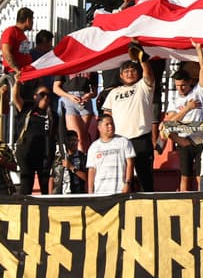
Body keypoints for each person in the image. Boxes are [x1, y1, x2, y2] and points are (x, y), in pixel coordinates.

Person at [101, 51, 157, 192]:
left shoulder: (143, 87)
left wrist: (143, 59)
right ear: (120, 75)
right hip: (120, 141)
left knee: (145, 181)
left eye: (132, 70)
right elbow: (106, 116)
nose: (129, 73)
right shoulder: (113, 93)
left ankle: (148, 209)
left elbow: (149, 74)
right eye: (126, 71)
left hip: (141, 139)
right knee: (123, 181)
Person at [162, 44, 203, 192]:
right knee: (185, 176)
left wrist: (199, 50)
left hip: (200, 138)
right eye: (177, 86)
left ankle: (202, 200)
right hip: (183, 140)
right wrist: (188, 108)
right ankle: (184, 202)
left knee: (200, 175)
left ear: (190, 82)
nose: (180, 88)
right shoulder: (174, 101)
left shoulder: (198, 92)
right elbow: (170, 123)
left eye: (183, 85)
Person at [14, 85, 56, 194]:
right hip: (26, 151)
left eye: (48, 95)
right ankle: (24, 208)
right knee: (27, 182)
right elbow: (16, 98)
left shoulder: (52, 114)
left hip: (45, 153)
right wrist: (17, 82)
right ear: (35, 96)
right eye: (42, 94)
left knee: (45, 185)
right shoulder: (27, 108)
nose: (45, 97)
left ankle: (45, 210)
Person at [86, 114, 134, 195]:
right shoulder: (94, 147)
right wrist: (90, 192)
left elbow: (130, 163)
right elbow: (92, 170)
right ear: (99, 128)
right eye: (107, 124)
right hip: (100, 192)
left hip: (120, 191)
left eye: (112, 124)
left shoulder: (124, 141)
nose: (110, 126)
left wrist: (127, 183)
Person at [0, 7, 34, 111]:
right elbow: (6, 51)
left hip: (24, 74)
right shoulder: (10, 31)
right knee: (17, 105)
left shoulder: (21, 34)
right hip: (15, 75)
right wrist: (16, 70)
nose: (32, 23)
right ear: (28, 20)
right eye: (32, 20)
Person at [53, 70, 96, 154]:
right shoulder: (67, 65)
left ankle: (84, 159)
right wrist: (69, 96)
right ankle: (77, 160)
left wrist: (89, 95)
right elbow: (55, 88)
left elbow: (94, 92)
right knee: (76, 136)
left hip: (85, 101)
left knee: (83, 137)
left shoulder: (91, 66)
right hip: (69, 99)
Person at [60, 130, 87, 194]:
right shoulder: (60, 157)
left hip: (78, 194)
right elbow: (52, 178)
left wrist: (72, 168)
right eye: (69, 140)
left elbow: (88, 177)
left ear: (78, 141)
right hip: (62, 194)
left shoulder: (83, 157)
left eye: (74, 140)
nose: (72, 143)